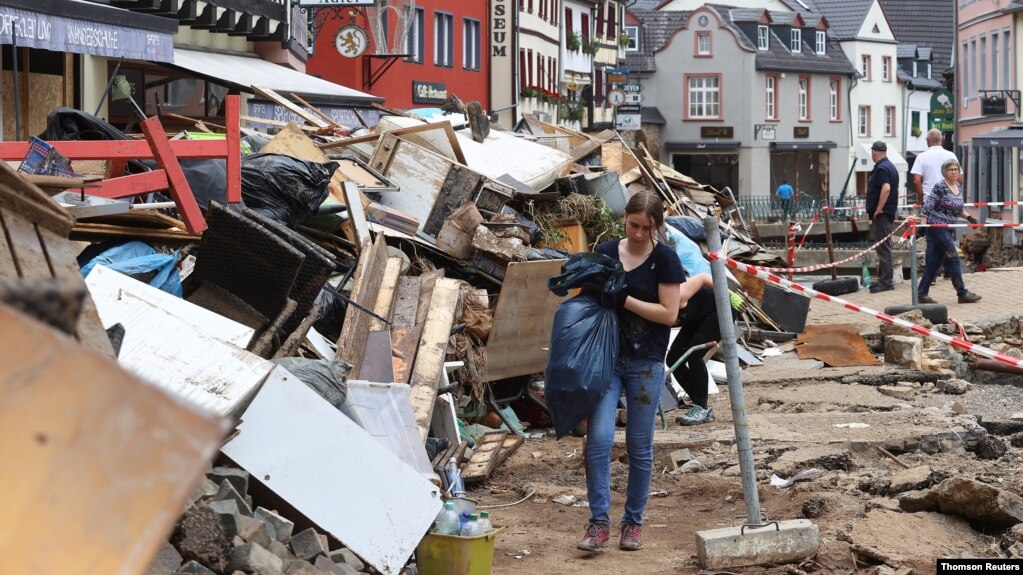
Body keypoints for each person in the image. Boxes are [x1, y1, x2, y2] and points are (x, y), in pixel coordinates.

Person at [578, 191, 683, 553]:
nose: (639, 233)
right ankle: (598, 523)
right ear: (625, 218)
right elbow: (587, 301)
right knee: (599, 441)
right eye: (633, 225)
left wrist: (626, 300)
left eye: (647, 228)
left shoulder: (665, 260)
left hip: (646, 362)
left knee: (639, 447)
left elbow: (670, 314)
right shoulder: (606, 253)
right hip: (606, 359)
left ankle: (633, 524)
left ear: (657, 226)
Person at [916, 160, 982, 304]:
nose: (953, 172)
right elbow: (928, 206)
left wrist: (969, 217)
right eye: (950, 169)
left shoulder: (957, 186)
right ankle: (962, 293)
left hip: (948, 227)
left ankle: (921, 293)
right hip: (937, 227)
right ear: (945, 171)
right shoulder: (940, 187)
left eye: (956, 169)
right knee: (953, 258)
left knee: (934, 263)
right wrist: (923, 226)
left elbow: (958, 209)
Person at [666, 271, 719, 425]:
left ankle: (701, 407)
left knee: (695, 354)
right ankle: (701, 406)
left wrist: (729, 296)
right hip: (697, 316)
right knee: (673, 359)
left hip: (719, 308)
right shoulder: (654, 303)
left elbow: (703, 277)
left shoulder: (679, 293)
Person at [910, 129, 959, 282]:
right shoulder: (951, 155)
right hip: (949, 202)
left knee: (932, 239)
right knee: (947, 236)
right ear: (941, 139)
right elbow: (960, 178)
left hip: (931, 203)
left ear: (927, 140)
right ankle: (949, 271)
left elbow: (917, 180)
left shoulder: (922, 157)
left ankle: (931, 276)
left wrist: (922, 197)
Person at [866, 141, 899, 294]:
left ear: (874, 152)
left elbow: (886, 189)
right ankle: (883, 279)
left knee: (883, 248)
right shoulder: (891, 166)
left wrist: (878, 209)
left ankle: (886, 282)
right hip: (888, 212)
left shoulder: (882, 168)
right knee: (884, 246)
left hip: (883, 214)